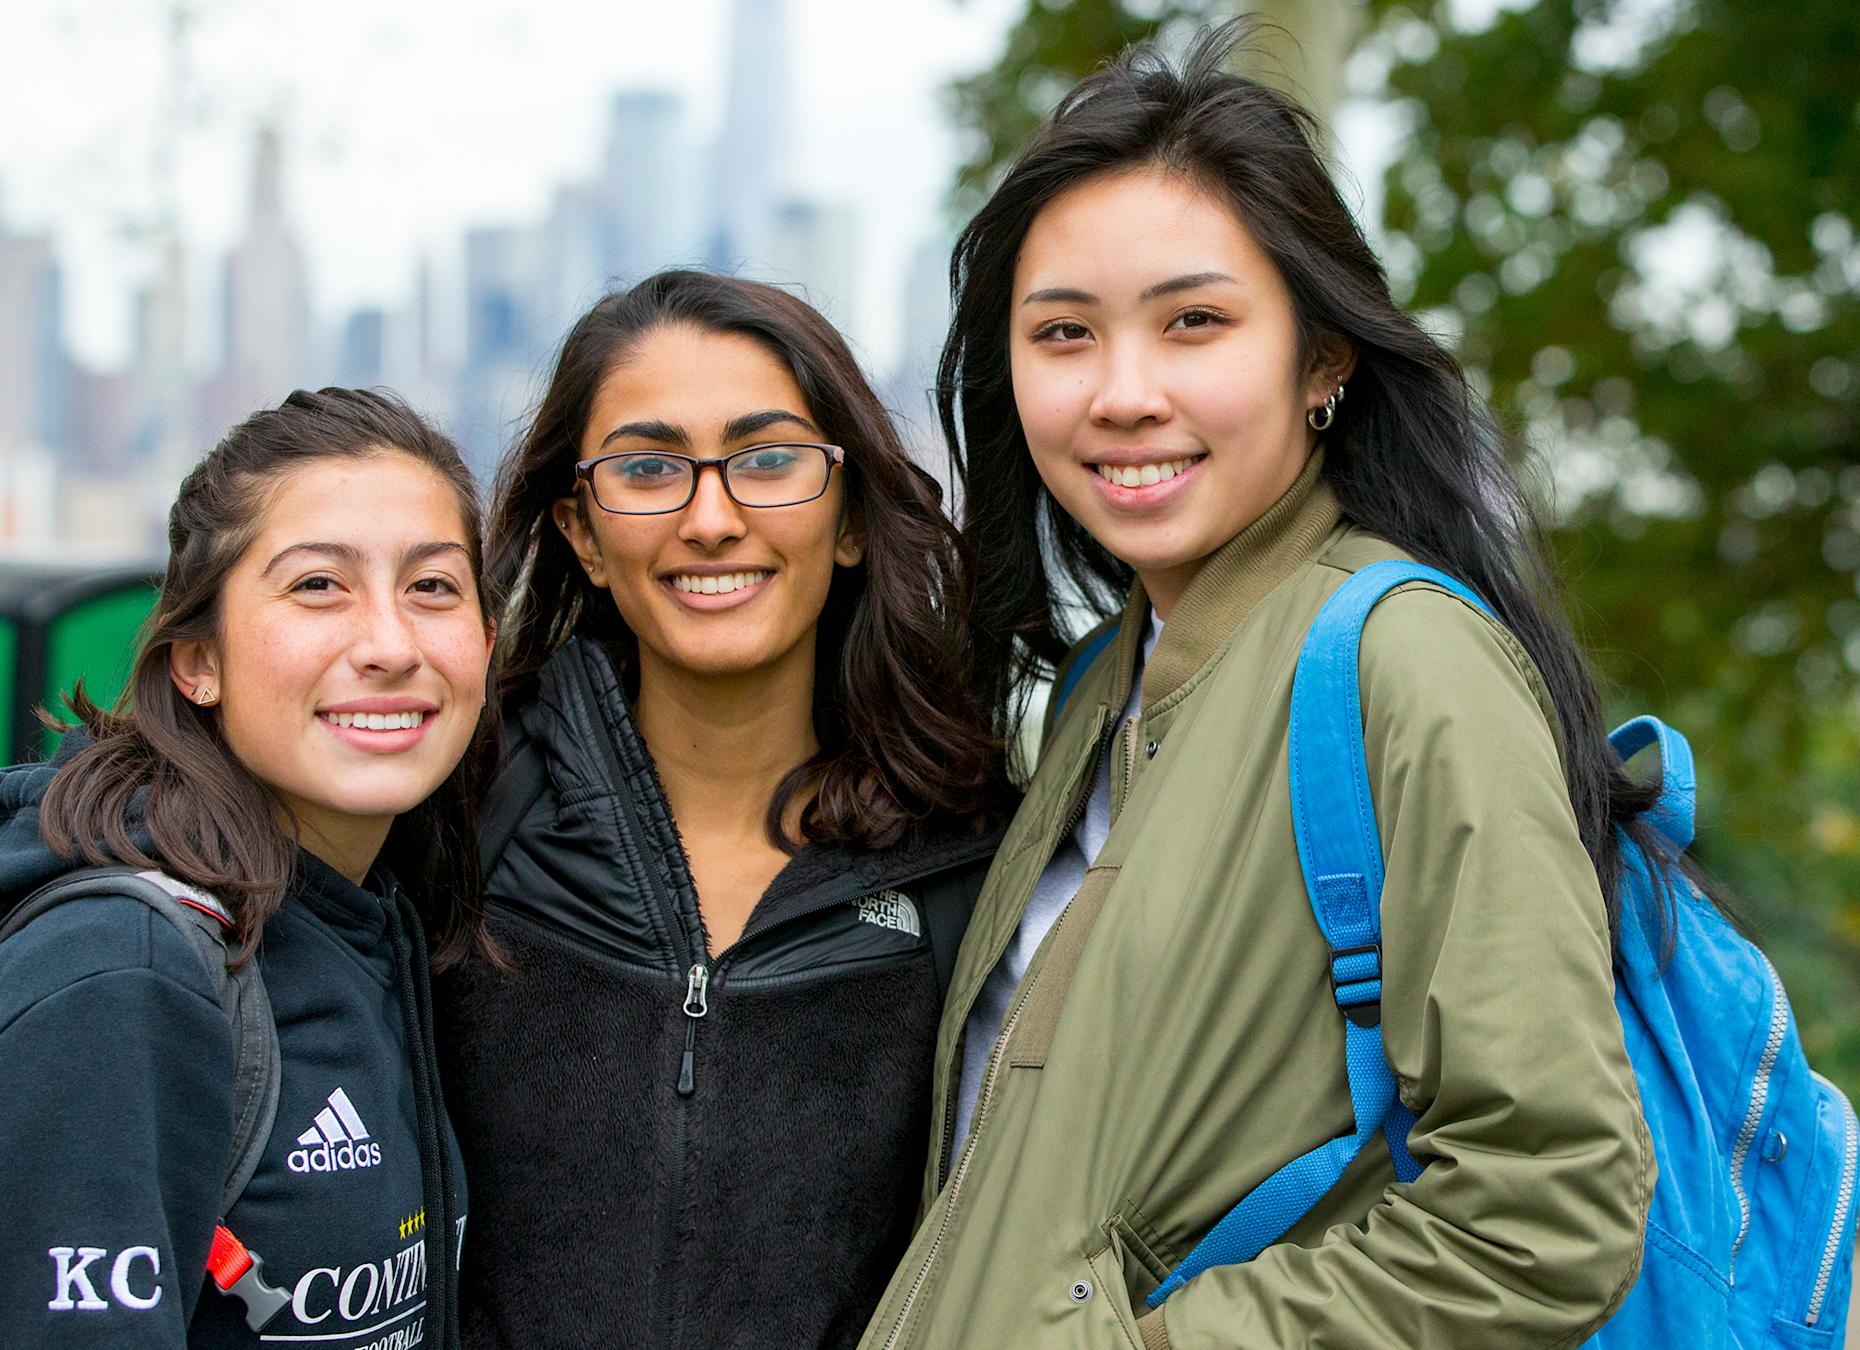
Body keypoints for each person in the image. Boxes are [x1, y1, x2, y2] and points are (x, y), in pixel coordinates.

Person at [863, 26, 1669, 1350]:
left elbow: (1549, 1202)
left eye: (1195, 323)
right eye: (1063, 333)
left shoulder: (1407, 660)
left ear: (1322, 358)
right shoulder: (1099, 690)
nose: (1124, 394)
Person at [441, 269, 1008, 1349]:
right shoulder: (464, 820)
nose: (711, 518)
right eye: (648, 468)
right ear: (583, 532)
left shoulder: (972, 866)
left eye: (768, 461)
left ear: (848, 519)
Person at [0, 389, 492, 1349]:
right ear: (197, 661)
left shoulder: (382, 915)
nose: (390, 644)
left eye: (434, 587)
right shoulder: (124, 970)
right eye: (318, 586)